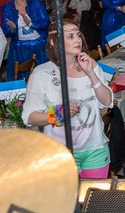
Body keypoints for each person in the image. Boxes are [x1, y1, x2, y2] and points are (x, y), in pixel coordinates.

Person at [23, 21, 115, 177]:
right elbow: (28, 117)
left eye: (78, 35)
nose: (78, 40)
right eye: (70, 36)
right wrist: (57, 114)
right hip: (59, 152)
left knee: (94, 193)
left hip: (94, 150)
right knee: (68, 194)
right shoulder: (41, 74)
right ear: (54, 42)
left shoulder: (90, 65)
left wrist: (91, 73)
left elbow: (107, 102)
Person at [1, 0, 50, 79]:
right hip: (20, 48)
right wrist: (12, 29)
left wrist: (31, 24)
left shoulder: (35, 2)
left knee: (43, 76)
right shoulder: (7, 8)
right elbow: (6, 32)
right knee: (23, 79)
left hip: (39, 44)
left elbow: (46, 22)